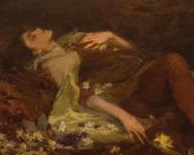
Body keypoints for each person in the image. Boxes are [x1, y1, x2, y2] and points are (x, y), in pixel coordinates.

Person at [21, 27, 194, 144]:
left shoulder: (69, 40)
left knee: (174, 63)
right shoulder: (55, 63)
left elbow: (134, 52)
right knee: (173, 62)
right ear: (36, 51)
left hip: (142, 74)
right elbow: (80, 95)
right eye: (31, 36)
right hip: (128, 94)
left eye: (33, 29)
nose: (37, 30)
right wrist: (124, 116)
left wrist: (111, 36)